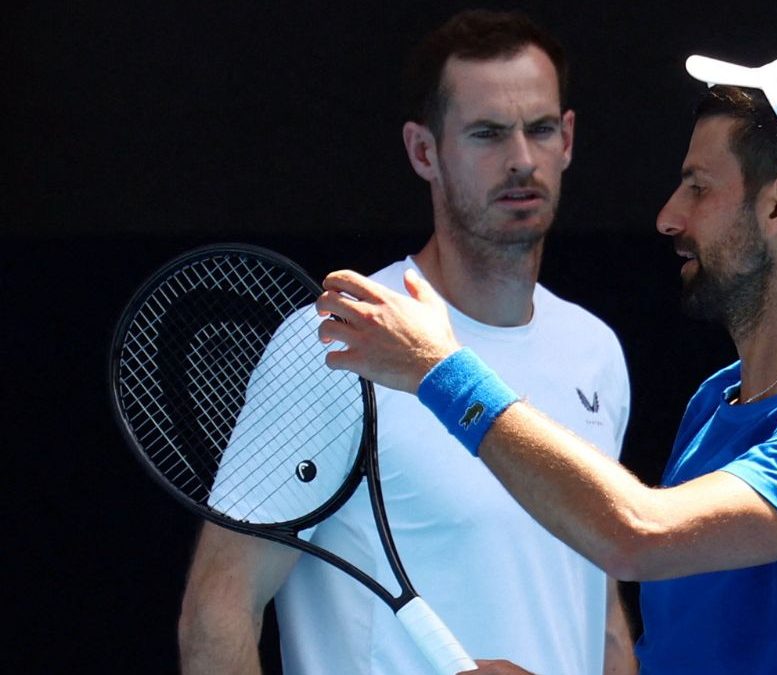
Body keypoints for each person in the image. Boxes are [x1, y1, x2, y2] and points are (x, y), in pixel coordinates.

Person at [317, 52, 777, 674]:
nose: (668, 217)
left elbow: (637, 535)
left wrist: (439, 369)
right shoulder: (716, 402)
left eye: (699, 188)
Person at [177, 9, 636, 675]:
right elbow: (219, 611)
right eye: (486, 134)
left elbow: (597, 606)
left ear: (567, 139)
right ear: (424, 151)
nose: (520, 160)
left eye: (539, 130)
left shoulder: (595, 350)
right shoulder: (339, 340)